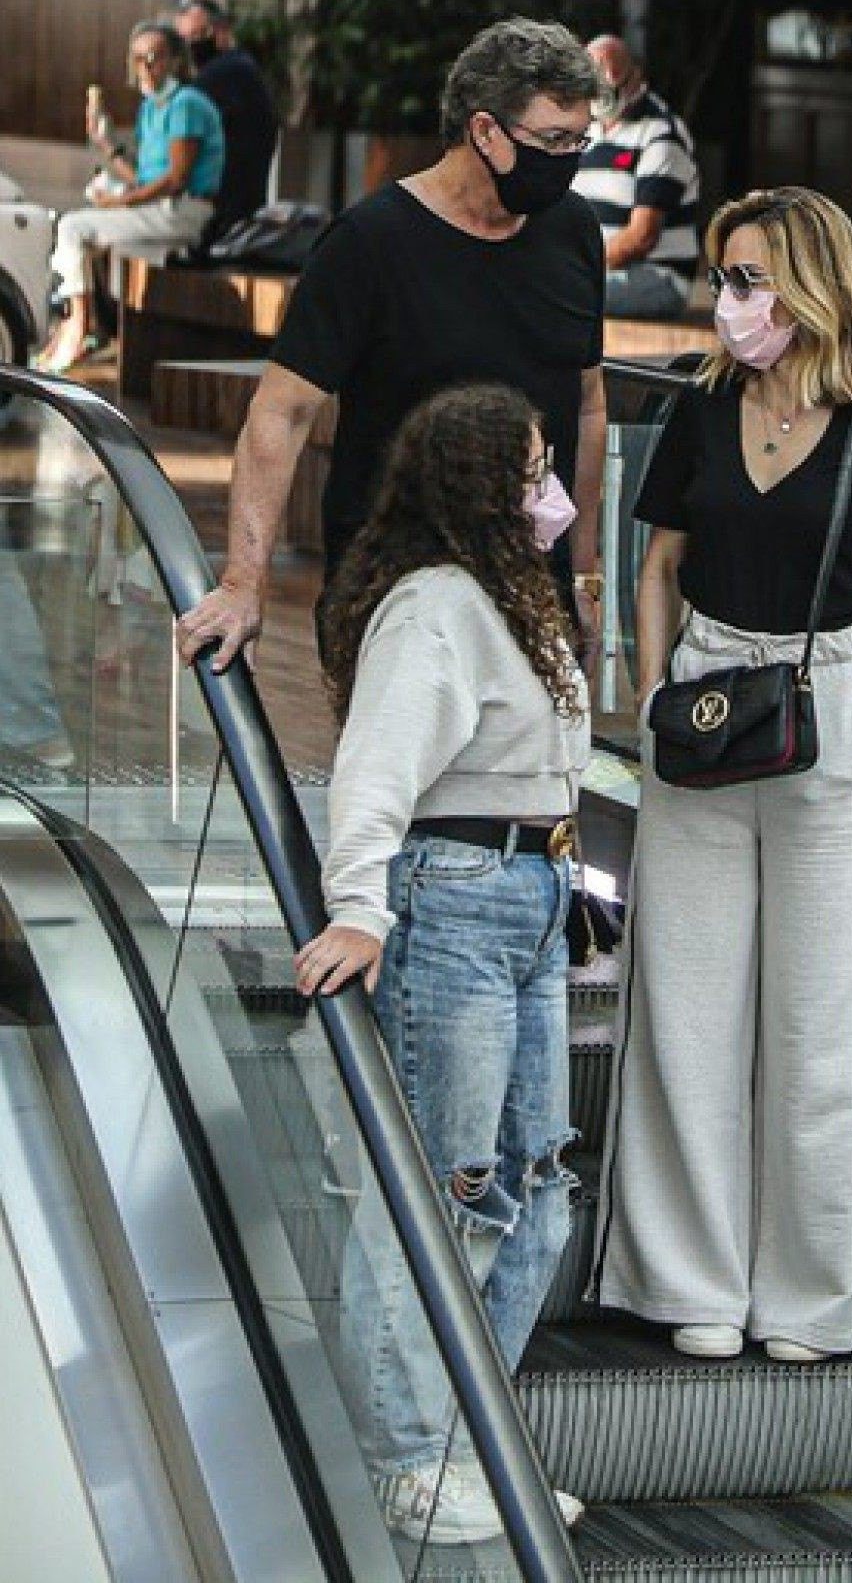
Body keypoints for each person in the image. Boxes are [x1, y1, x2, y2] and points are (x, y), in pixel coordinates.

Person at [593, 187, 852, 1363]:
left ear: (811, 286)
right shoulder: (702, 407)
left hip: (827, 710)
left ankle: (806, 1296)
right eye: (725, 281)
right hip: (700, 706)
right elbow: (659, 566)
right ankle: (689, 1278)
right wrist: (651, 691)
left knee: (817, 1018)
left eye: (748, 281)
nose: (728, 304)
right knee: (685, 1008)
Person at [295, 382, 589, 1544]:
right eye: (530, 472)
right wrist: (359, 908)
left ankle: (471, 1437)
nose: (549, 492)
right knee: (450, 1188)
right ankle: (408, 1457)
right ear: (478, 487)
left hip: (530, 887)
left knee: (540, 1192)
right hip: (456, 896)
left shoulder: (505, 598)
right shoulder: (434, 609)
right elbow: (374, 770)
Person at [176, 17, 606, 674]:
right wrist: (244, 582)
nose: (568, 160)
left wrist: (583, 574)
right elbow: (280, 413)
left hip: (529, 595)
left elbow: (587, 402)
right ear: (484, 131)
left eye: (580, 140)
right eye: (553, 139)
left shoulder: (574, 232)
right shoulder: (369, 243)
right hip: (395, 597)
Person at [37, 22, 224, 373]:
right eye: (138, 59)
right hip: (159, 207)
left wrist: (120, 202)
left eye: (154, 57)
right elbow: (143, 179)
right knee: (89, 227)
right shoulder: (151, 107)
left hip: (182, 211)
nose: (146, 66)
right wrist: (105, 144)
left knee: (73, 227)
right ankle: (101, 333)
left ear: (175, 61)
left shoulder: (185, 104)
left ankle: (79, 328)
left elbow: (176, 179)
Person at [574, 34, 700, 319]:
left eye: (611, 85)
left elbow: (641, 237)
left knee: (560, 297)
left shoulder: (661, 133)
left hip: (658, 278)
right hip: (595, 272)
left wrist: (575, 269)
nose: (603, 97)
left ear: (636, 78)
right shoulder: (585, 130)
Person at [174, 0, 279, 241]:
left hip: (226, 210)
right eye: (185, 39)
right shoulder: (240, 68)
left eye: (197, 36)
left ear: (220, 32)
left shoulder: (223, 73)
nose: (191, 46)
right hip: (239, 206)